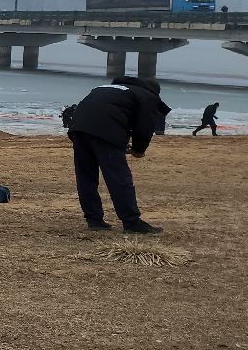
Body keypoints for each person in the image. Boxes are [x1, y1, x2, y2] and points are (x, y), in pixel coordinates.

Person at [65, 76, 171, 234]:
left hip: (79, 128)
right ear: (155, 92)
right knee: (119, 178)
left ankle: (94, 220)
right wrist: (138, 150)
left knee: (86, 176)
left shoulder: (106, 88)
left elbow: (107, 111)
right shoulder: (147, 96)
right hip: (106, 131)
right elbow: (144, 127)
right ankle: (132, 222)